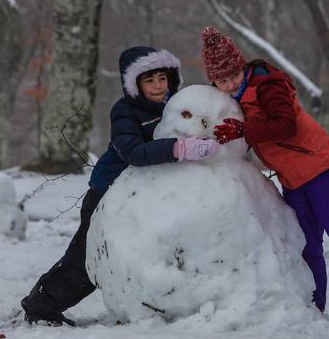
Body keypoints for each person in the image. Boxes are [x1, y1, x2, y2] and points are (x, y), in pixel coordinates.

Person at [201, 27, 329, 330]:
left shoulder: (266, 85)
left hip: (320, 168)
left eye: (235, 74)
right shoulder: (234, 99)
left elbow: (284, 125)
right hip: (293, 179)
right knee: (306, 245)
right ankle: (315, 307)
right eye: (223, 80)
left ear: (242, 66)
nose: (231, 83)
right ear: (214, 82)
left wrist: (243, 130)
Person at [20, 46, 219, 326]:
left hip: (140, 197)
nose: (158, 86)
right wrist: (181, 148)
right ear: (134, 84)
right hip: (107, 194)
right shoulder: (125, 111)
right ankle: (41, 305)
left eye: (162, 78)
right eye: (149, 81)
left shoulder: (174, 105)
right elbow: (132, 151)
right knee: (89, 258)